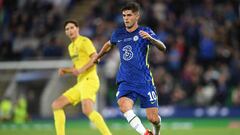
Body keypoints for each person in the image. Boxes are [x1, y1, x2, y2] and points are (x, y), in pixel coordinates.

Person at [94, 2, 166, 135]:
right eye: (124, 15)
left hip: (144, 80)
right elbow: (109, 44)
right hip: (126, 79)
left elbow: (163, 47)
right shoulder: (118, 34)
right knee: (123, 106)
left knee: (153, 118)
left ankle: (157, 132)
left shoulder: (145, 32)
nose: (126, 18)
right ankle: (145, 133)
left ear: (137, 16)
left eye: (129, 15)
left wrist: (151, 39)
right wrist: (98, 56)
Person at [51, 20, 112, 135]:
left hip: (90, 79)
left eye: (72, 28)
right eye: (67, 29)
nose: (70, 31)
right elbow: (77, 67)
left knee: (87, 109)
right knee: (56, 104)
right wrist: (67, 70)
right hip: (81, 83)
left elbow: (96, 58)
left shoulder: (84, 41)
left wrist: (82, 69)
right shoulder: (70, 47)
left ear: (77, 29)